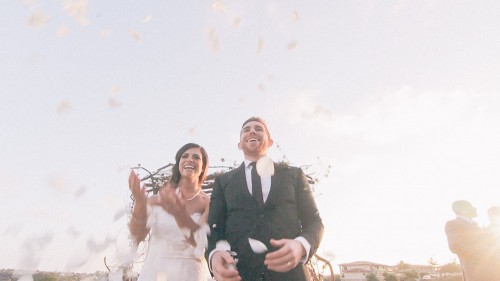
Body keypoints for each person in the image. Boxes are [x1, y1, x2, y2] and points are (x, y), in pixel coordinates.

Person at [207, 117, 324, 281]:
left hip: (290, 276)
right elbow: (214, 228)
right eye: (246, 130)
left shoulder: (294, 175)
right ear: (239, 144)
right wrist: (214, 254)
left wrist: (301, 245)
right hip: (239, 275)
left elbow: (314, 221)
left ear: (270, 142)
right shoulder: (223, 182)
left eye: (258, 128)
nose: (252, 131)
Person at [128, 143, 213, 281]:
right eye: (184, 156)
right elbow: (136, 236)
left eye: (196, 157)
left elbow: (200, 243)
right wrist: (139, 204)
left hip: (193, 274)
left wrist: (179, 214)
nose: (189, 159)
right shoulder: (156, 200)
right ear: (178, 164)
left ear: (203, 167)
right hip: (155, 273)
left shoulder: (208, 203)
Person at [444, 200, 485, 281]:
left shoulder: (477, 225)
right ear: (463, 209)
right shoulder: (453, 224)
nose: (475, 208)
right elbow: (456, 246)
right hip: (476, 274)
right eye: (471, 206)